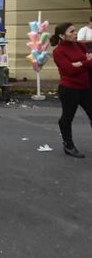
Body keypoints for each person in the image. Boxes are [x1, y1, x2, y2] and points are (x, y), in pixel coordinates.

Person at [49, 22, 92, 158]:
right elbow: (69, 70)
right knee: (67, 117)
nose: (75, 33)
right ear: (62, 36)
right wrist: (86, 62)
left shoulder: (80, 45)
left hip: (86, 87)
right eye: (71, 31)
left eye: (75, 30)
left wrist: (81, 63)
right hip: (69, 89)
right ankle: (68, 145)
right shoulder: (58, 51)